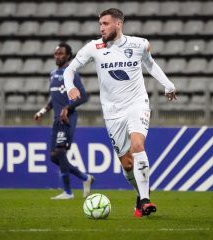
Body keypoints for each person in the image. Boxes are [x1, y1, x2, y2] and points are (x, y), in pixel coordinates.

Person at [63, 9, 177, 216]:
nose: (101, 28)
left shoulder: (139, 44)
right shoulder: (94, 47)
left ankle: (145, 200)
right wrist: (70, 86)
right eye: (100, 24)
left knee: (137, 144)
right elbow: (69, 70)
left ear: (118, 24)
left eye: (105, 24)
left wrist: (168, 85)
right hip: (112, 111)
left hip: (137, 103)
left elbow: (150, 64)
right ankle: (140, 192)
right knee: (127, 164)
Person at [34, 42, 94, 200]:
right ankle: (85, 178)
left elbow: (83, 96)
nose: (58, 56)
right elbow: (54, 99)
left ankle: (68, 192)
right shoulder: (53, 74)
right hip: (56, 119)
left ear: (68, 56)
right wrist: (42, 111)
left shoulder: (71, 73)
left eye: (61, 53)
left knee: (60, 152)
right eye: (56, 54)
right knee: (54, 157)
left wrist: (68, 108)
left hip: (67, 119)